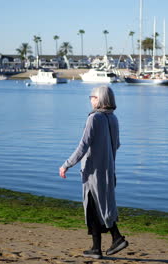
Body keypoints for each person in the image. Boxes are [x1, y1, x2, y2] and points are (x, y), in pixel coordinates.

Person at [59, 85, 128, 259]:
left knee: (93, 207)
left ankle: (116, 238)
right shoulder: (113, 118)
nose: (90, 99)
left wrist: (66, 164)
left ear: (100, 99)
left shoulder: (94, 118)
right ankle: (98, 248)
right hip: (108, 168)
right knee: (102, 206)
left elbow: (83, 145)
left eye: (93, 96)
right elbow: (116, 145)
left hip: (93, 172)